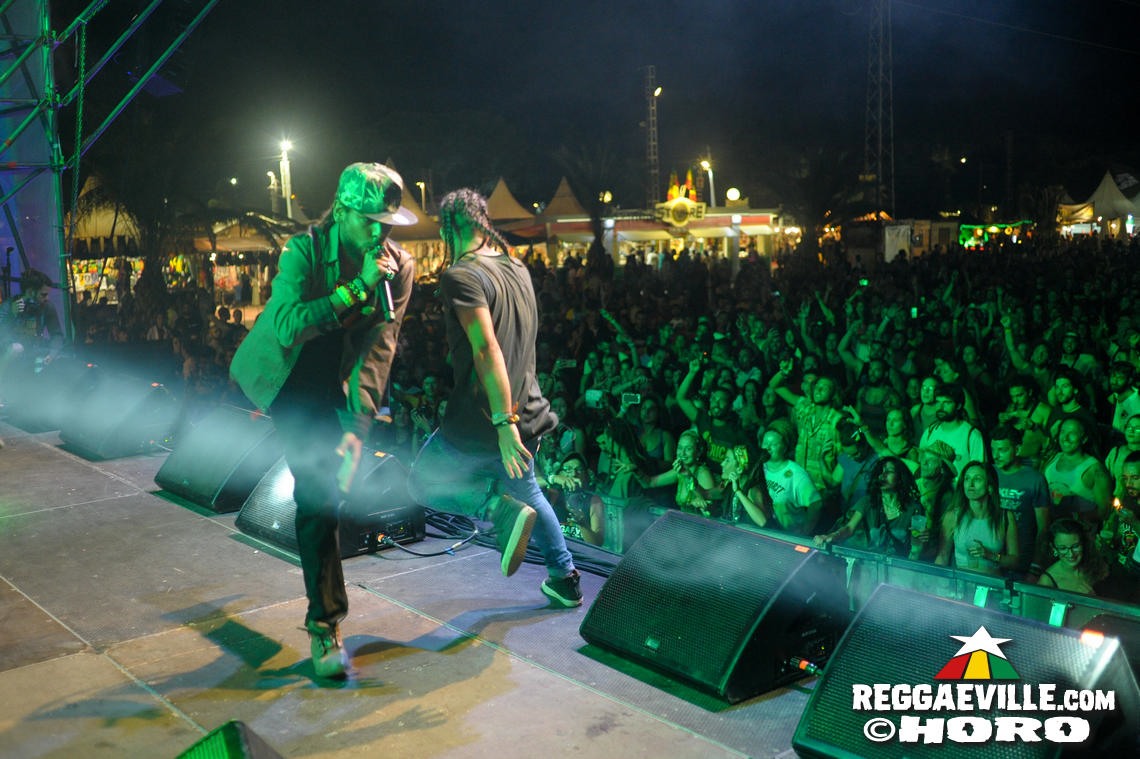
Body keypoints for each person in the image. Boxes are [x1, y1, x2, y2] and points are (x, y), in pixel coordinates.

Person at [229, 162, 417, 679]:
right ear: (342, 212)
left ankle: (325, 616)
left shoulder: (398, 268)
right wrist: (354, 289)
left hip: (335, 384)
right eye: (370, 222)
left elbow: (379, 350)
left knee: (326, 496)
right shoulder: (304, 251)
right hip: (288, 376)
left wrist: (358, 430)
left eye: (389, 224)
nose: (380, 234)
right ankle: (326, 625)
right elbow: (287, 325)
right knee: (316, 494)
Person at [407, 188, 582, 616]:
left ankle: (492, 509)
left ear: (450, 226)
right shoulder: (517, 267)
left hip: (486, 419)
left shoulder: (462, 275)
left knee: (422, 480)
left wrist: (503, 425)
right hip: (529, 409)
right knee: (528, 493)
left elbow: (487, 349)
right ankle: (565, 579)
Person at [814, 457, 926, 558]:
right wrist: (831, 536)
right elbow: (849, 528)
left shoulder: (914, 509)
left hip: (898, 569)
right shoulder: (868, 502)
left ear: (900, 477)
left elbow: (916, 548)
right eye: (880, 472)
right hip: (871, 566)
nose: (883, 475)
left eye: (889, 471)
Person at [935, 461, 1019, 577]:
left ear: (990, 487)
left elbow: (1015, 561)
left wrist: (991, 555)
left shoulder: (1005, 517)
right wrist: (938, 585)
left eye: (977, 479)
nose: (971, 484)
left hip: (993, 586)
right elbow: (942, 556)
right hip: (962, 585)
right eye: (967, 479)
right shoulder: (953, 516)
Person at [989, 425, 1050, 579]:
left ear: (1017, 449)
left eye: (1002, 450)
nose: (996, 455)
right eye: (993, 449)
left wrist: (1035, 567)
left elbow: (1044, 528)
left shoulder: (1035, 479)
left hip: (1022, 563)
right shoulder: (988, 473)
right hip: (989, 558)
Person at [1035, 518, 1107, 595]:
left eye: (1075, 546)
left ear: (1083, 544)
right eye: (1063, 548)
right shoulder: (1047, 581)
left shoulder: (1095, 565)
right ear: (1054, 549)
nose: (1071, 554)